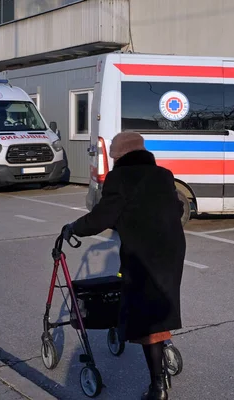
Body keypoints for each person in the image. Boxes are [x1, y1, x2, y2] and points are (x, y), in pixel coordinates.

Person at [62, 131, 186, 400]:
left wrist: (73, 228)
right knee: (159, 304)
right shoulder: (164, 174)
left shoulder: (120, 177)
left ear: (118, 157)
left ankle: (158, 387)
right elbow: (176, 209)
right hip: (172, 251)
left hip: (143, 255)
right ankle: (162, 354)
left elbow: (102, 217)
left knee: (145, 319)